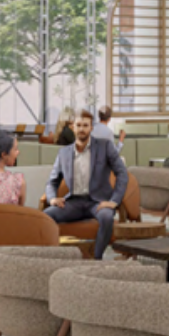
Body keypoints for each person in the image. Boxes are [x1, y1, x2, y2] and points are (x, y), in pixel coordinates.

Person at [44, 110, 128, 260]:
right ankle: (56, 258)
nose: (82, 129)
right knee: (45, 217)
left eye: (85, 125)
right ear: (72, 127)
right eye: (79, 125)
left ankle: (96, 259)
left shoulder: (105, 146)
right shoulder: (63, 153)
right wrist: (52, 199)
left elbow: (122, 174)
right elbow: (52, 181)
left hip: (98, 202)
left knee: (107, 217)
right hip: (74, 202)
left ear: (91, 128)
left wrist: (114, 201)